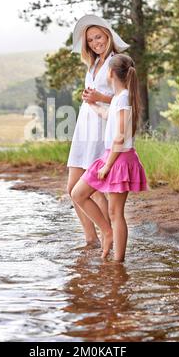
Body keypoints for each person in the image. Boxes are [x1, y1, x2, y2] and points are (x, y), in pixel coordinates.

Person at [72, 54, 148, 262]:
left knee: (116, 212)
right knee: (78, 194)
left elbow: (120, 136)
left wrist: (108, 165)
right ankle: (107, 232)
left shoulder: (123, 99)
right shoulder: (118, 98)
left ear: (110, 73)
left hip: (119, 159)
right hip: (110, 155)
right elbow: (108, 116)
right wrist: (92, 104)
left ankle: (118, 262)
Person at [67, 14, 130, 246]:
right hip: (84, 127)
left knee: (94, 189)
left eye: (99, 37)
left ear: (108, 36)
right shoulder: (93, 64)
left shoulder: (117, 61)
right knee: (72, 187)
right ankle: (91, 238)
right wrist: (89, 97)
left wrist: (99, 96)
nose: (96, 42)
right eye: (91, 40)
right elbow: (95, 96)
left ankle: (107, 234)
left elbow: (124, 96)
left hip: (101, 128)